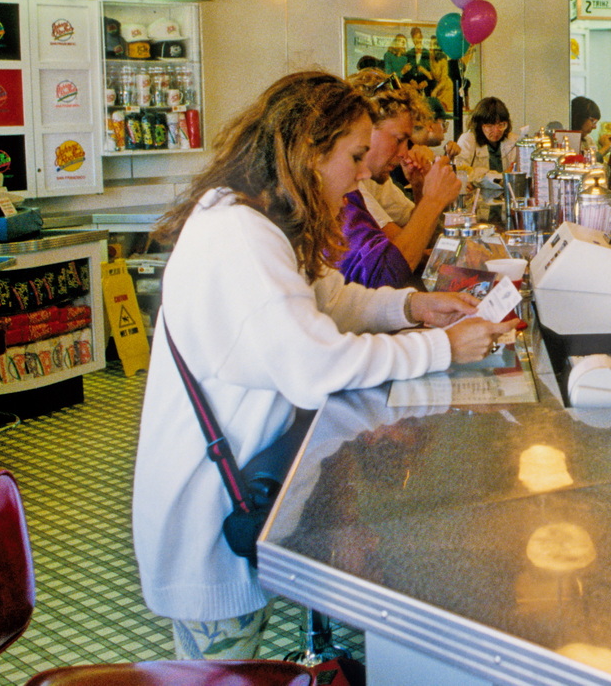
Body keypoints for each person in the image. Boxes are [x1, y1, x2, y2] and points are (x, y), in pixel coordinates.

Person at [132, 72, 512, 661]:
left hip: (240, 488)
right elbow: (316, 365)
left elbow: (327, 297)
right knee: (218, 672)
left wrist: (410, 307)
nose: (362, 174)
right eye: (355, 157)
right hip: (209, 515)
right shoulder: (239, 234)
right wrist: (442, 347)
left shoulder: (256, 218)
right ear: (310, 150)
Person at [339, 70, 463, 289]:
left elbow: (417, 235)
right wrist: (433, 200)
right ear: (364, 129)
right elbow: (387, 268)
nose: (404, 152)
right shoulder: (347, 184)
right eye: (398, 139)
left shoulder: (375, 179)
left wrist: (420, 188)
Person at [454, 96, 516, 183]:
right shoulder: (467, 140)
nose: (496, 131)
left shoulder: (513, 140)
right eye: (490, 126)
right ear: (479, 125)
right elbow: (460, 172)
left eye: (501, 124)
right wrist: (499, 175)